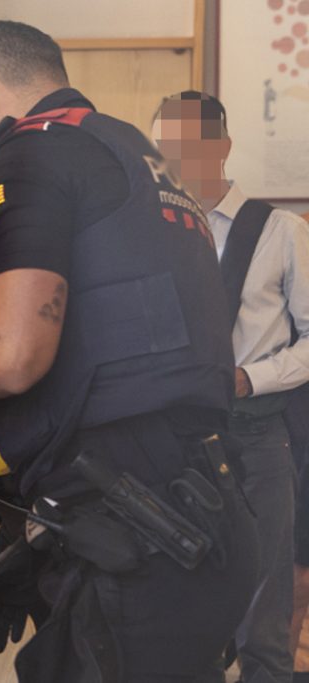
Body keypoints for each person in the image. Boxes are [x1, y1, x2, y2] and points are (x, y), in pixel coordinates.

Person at [0, 20, 258, 681]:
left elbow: (8, 351)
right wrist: (43, 533)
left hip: (144, 530)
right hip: (196, 508)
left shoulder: (29, 147)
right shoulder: (134, 154)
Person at [153, 90, 309, 683]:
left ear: (222, 145)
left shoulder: (279, 231)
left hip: (258, 438)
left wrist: (250, 378)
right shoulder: (149, 233)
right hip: (172, 442)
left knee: (264, 625)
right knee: (183, 616)